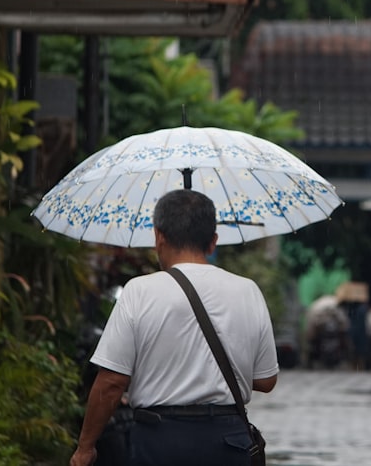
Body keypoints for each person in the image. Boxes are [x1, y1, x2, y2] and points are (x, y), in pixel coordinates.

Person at [70, 189, 279, 466]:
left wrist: (85, 448)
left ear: (158, 236)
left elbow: (111, 383)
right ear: (213, 241)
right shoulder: (248, 291)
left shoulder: (139, 291)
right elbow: (266, 380)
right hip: (227, 443)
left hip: (159, 442)